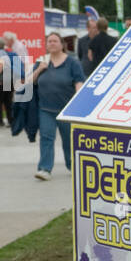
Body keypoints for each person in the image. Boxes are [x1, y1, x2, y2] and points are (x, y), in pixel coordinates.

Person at [31, 32, 83, 179]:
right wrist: (40, 69)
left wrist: (77, 101)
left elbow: (79, 81)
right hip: (45, 108)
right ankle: (44, 169)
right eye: (49, 41)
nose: (51, 43)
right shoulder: (42, 61)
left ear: (62, 45)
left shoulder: (72, 62)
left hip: (66, 109)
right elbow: (30, 81)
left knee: (68, 140)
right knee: (46, 138)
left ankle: (73, 166)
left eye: (55, 41)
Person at [0, 36, 13, 127]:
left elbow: (2, 63)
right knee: (7, 101)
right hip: (7, 79)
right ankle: (11, 121)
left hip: (2, 80)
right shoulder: (4, 52)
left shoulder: (0, 52)